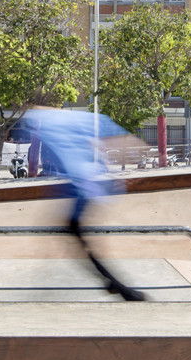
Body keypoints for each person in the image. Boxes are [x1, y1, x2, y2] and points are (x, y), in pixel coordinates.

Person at [25, 107, 148, 302]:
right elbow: (124, 142)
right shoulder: (87, 119)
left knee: (78, 237)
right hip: (83, 185)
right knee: (79, 236)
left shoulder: (50, 120)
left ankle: (118, 285)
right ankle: (113, 282)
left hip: (81, 187)